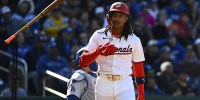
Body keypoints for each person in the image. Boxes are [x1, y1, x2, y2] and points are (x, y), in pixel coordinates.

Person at [79, 2, 145, 100]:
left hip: (125, 83)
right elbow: (82, 62)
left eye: (120, 16)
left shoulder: (134, 39)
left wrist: (141, 94)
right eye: (114, 15)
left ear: (126, 18)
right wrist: (98, 51)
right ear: (109, 17)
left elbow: (138, 67)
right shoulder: (98, 35)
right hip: (103, 82)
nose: (116, 19)